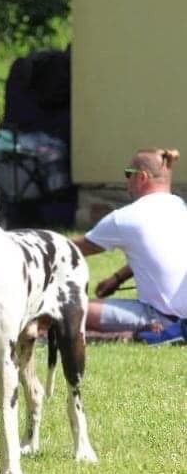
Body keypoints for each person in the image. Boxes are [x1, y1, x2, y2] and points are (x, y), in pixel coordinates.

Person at [73, 147, 187, 343]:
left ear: (142, 177)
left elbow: (70, 249)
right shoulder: (180, 207)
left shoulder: (125, 218)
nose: (126, 181)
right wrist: (117, 278)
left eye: (128, 173)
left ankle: (128, 335)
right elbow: (159, 256)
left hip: (162, 318)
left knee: (67, 310)